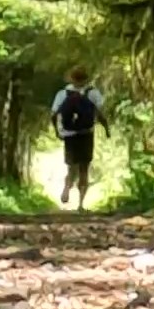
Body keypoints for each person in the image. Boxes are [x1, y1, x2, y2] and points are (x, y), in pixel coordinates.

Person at [51, 69, 105, 208]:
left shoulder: (62, 94)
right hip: (86, 133)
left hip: (69, 135)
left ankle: (66, 189)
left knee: (71, 167)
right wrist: (107, 129)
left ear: (71, 78)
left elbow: (54, 114)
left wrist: (57, 131)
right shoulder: (93, 93)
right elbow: (99, 113)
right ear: (86, 79)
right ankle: (80, 204)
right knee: (84, 169)